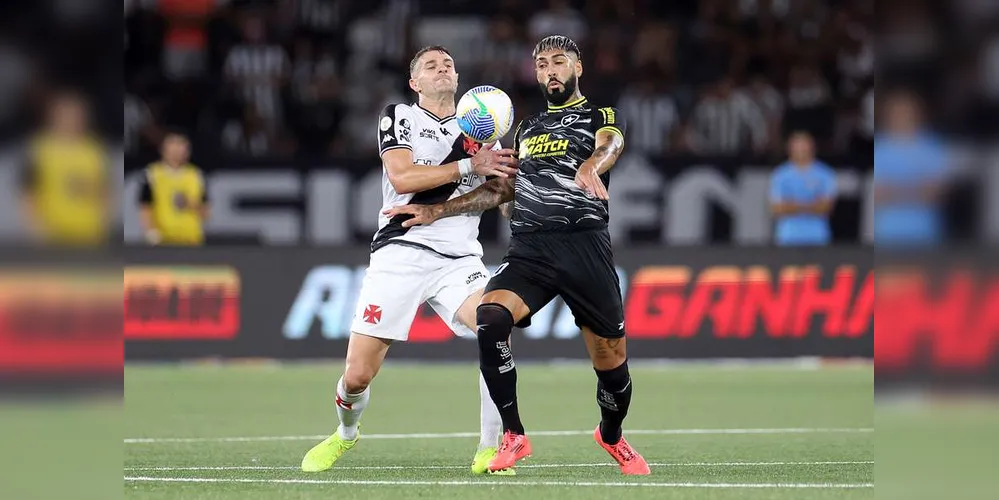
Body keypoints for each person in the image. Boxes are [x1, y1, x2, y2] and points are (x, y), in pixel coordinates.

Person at [385, 35, 651, 475]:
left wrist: (590, 165)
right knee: (490, 318)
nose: (550, 70)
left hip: (585, 246)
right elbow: (502, 191)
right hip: (531, 249)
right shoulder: (528, 129)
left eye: (559, 61)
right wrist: (438, 209)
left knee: (611, 365)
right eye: (542, 63)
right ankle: (513, 435)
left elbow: (610, 145)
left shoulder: (600, 116)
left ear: (577, 68)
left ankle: (611, 434)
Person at [300, 46, 520, 475]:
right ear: (415, 83)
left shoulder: (485, 132)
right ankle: (346, 433)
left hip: (459, 257)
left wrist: (509, 192)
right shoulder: (399, 116)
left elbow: (497, 195)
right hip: (401, 251)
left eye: (449, 64)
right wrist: (468, 164)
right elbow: (402, 177)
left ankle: (490, 450)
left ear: (458, 80)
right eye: (431, 66)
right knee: (358, 375)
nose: (443, 69)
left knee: (496, 327)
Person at [20, 92, 111, 247]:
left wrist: (103, 222)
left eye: (76, 115)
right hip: (53, 234)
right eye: (66, 115)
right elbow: (29, 193)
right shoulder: (40, 149)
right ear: (54, 116)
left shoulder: (94, 149)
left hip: (89, 234)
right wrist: (37, 229)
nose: (71, 120)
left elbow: (104, 189)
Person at [874, 90, 948, 247]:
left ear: (918, 115)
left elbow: (935, 195)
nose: (903, 117)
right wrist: (916, 189)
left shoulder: (932, 147)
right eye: (897, 112)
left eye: (907, 112)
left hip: (925, 234)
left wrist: (894, 190)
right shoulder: (879, 148)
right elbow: (879, 194)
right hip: (887, 235)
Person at [138, 133, 210, 246]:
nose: (176, 153)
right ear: (163, 150)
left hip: (191, 239)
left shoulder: (196, 175)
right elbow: (145, 206)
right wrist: (150, 231)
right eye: (172, 148)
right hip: (163, 240)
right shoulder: (152, 174)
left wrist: (190, 204)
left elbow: (206, 213)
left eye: (180, 148)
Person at [768, 131, 837, 246]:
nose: (801, 151)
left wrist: (792, 205)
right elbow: (777, 208)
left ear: (812, 148)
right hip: (788, 238)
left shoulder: (826, 174)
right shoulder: (780, 175)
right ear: (790, 149)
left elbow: (826, 207)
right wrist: (811, 205)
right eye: (797, 147)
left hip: (818, 237)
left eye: (804, 147)